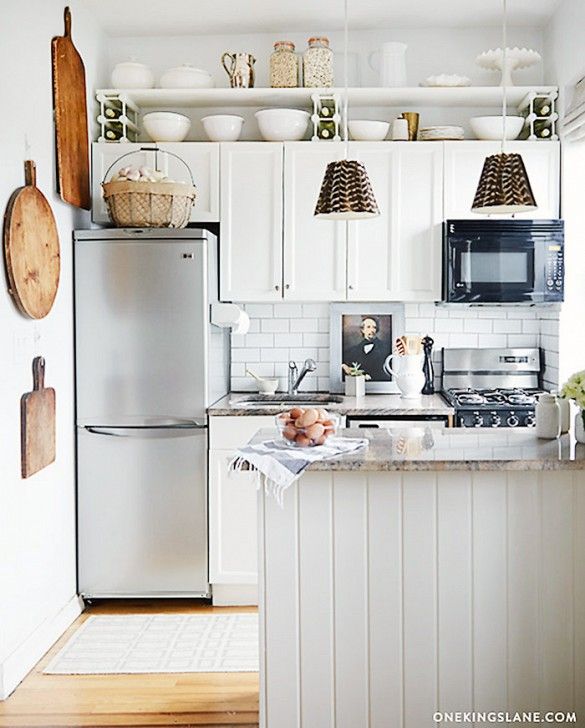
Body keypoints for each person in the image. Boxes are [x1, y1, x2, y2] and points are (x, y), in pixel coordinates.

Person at [342, 316, 391, 381]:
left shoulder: (384, 348)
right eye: (368, 327)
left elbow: (386, 373)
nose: (372, 330)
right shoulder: (353, 350)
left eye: (374, 327)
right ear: (362, 330)